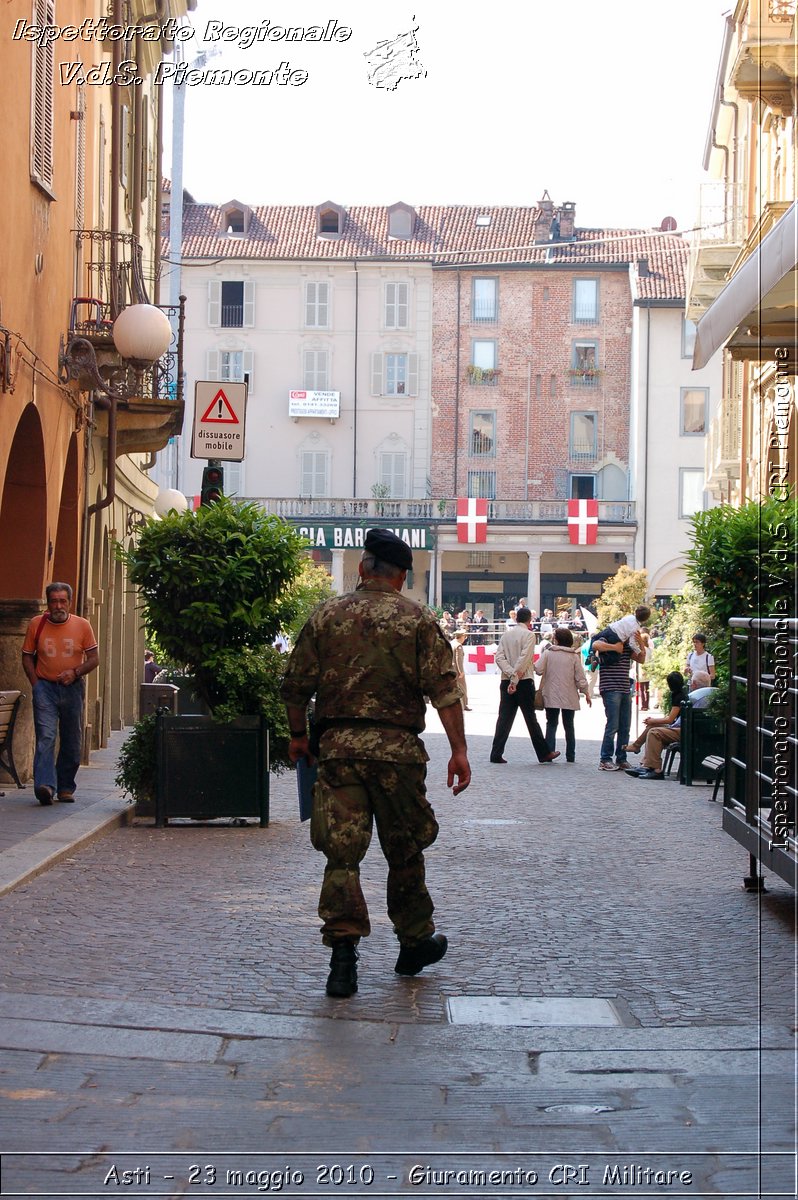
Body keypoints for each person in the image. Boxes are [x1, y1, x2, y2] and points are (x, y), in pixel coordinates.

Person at [280, 528, 471, 999]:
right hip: (397, 755)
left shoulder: (326, 615)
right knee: (404, 849)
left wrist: (299, 737)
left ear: (362, 568)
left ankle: (342, 961)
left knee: (342, 854)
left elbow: (295, 686)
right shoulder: (419, 621)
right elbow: (446, 692)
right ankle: (413, 942)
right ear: (402, 577)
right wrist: (460, 751)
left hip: (339, 750)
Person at [21, 582, 99, 805]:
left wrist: (75, 672)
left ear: (70, 602)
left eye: (62, 601)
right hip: (45, 687)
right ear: (48, 602)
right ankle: (45, 785)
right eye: (54, 601)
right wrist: (35, 684)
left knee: (72, 738)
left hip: (72, 688)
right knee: (46, 736)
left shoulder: (82, 626)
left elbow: (94, 659)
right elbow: (27, 656)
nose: (58, 605)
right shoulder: (37, 624)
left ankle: (65, 787)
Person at [489, 607, 560, 765]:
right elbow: (525, 658)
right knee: (530, 719)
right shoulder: (529, 635)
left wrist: (509, 674)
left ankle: (496, 753)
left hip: (506, 680)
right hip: (524, 680)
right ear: (530, 620)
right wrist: (515, 677)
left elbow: (499, 657)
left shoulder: (506, 635)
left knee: (504, 718)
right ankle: (543, 753)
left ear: (515, 619)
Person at [626, 671, 715, 780]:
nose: (689, 685)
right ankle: (645, 765)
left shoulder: (698, 698)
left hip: (686, 730)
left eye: (691, 682)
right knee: (652, 728)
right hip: (685, 728)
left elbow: (673, 719)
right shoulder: (705, 695)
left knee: (655, 733)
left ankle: (656, 770)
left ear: (695, 684)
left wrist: (655, 721)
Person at [527, 627, 592, 763]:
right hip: (569, 695)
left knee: (551, 724)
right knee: (569, 725)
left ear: (556, 639)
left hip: (551, 694)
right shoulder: (573, 656)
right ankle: (570, 755)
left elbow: (538, 669)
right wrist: (586, 692)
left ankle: (549, 752)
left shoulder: (548, 654)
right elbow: (580, 678)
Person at [592, 628, 646, 771]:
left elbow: (641, 659)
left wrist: (640, 643)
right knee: (613, 725)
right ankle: (605, 758)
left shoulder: (628, 647)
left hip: (624, 689)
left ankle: (621, 758)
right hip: (610, 688)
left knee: (625, 726)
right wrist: (615, 647)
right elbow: (595, 645)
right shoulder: (606, 641)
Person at [624, 670, 689, 759]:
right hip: (677, 725)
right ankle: (637, 747)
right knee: (652, 725)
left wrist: (653, 720)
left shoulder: (678, 697)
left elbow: (670, 720)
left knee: (653, 731)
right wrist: (653, 721)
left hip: (677, 727)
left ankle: (645, 758)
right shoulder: (679, 694)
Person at [451, 629, 471, 710]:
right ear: (461, 636)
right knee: (462, 687)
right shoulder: (458, 645)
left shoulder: (452, 643)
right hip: (457, 669)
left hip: (451, 668)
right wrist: (461, 671)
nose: (465, 638)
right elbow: (458, 659)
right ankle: (464, 704)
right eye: (464, 636)